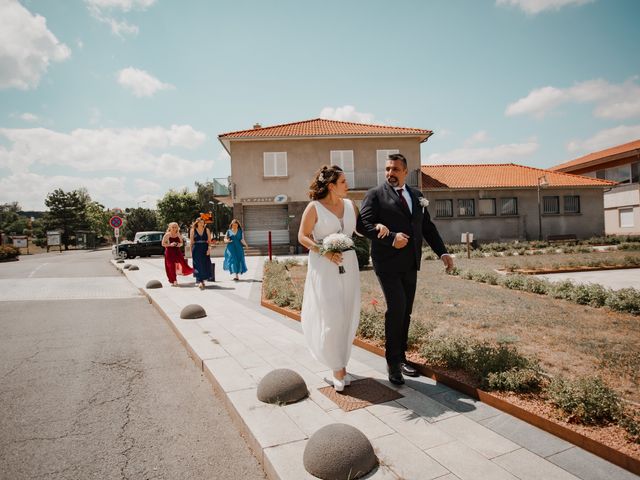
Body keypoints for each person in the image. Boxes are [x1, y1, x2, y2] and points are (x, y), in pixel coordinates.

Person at [357, 153, 454, 385]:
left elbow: (427, 228)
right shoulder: (375, 195)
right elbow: (363, 225)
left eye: (395, 170)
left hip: (410, 263)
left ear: (405, 171)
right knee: (396, 308)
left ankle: (401, 358)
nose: (390, 173)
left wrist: (443, 252)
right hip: (386, 263)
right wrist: (391, 237)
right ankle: (392, 364)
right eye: (387, 169)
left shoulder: (417, 196)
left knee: (405, 311)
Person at [297, 165, 388, 392]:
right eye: (343, 182)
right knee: (332, 315)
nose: (348, 185)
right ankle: (336, 368)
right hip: (324, 265)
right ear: (331, 186)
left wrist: (377, 226)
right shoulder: (314, 207)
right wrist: (323, 251)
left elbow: (359, 230)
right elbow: (302, 236)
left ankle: (343, 364)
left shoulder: (349, 205)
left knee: (347, 313)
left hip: (348, 264)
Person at [162, 222, 194, 286]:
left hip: (177, 251)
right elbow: (163, 244)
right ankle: (174, 280)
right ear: (170, 228)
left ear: (177, 228)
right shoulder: (167, 235)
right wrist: (170, 245)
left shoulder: (178, 234)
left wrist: (179, 244)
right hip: (169, 252)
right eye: (173, 227)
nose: (174, 228)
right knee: (171, 266)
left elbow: (182, 243)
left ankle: (193, 270)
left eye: (175, 227)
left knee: (183, 263)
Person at [190, 217, 214, 290]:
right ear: (197, 223)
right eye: (200, 222)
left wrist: (209, 250)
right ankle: (200, 280)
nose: (202, 223)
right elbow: (191, 242)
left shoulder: (207, 230)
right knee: (197, 264)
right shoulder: (193, 230)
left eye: (203, 222)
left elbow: (209, 241)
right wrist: (191, 252)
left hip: (205, 248)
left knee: (205, 264)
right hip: (196, 249)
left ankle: (202, 280)